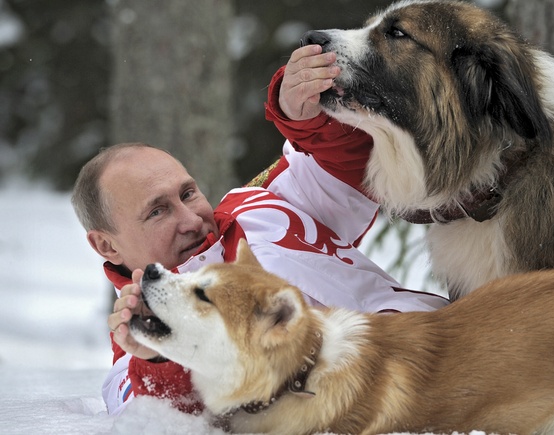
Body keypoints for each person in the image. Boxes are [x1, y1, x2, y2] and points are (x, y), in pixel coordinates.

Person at [71, 44, 448, 416]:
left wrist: (299, 111)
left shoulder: (257, 205)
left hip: (451, 341)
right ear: (107, 245)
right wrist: (160, 352)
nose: (190, 220)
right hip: (381, 413)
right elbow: (157, 417)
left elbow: (352, 162)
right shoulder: (136, 349)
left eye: (188, 193)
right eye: (157, 212)